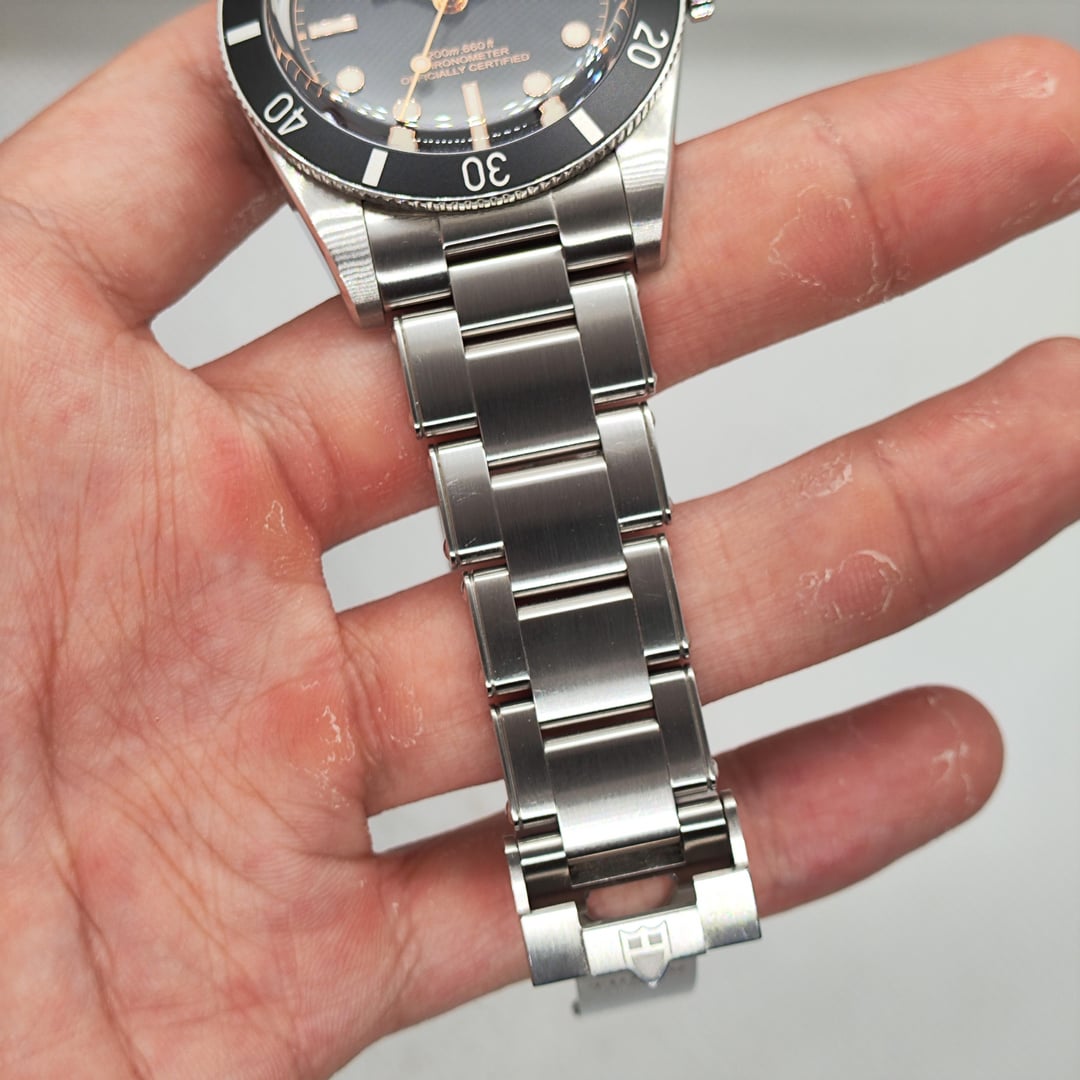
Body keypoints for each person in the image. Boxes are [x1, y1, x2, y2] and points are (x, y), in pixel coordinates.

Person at [0, 5, 1077, 1076]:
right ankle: (626, 886)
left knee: (596, 534)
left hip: (524, 200)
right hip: (429, 234)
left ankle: (633, 883)